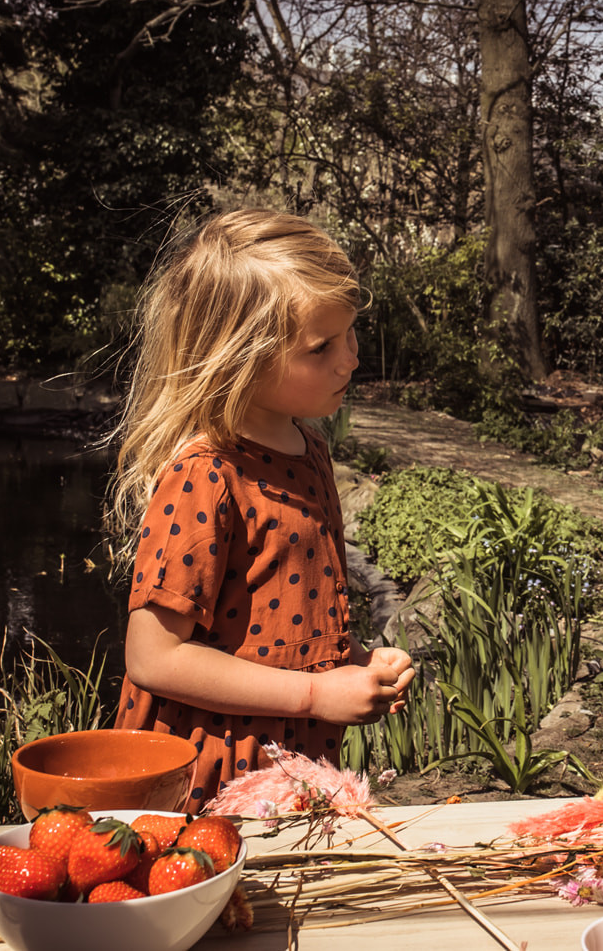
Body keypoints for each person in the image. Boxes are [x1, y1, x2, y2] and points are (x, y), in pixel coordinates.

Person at [109, 209, 415, 811]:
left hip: (287, 760)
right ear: (238, 358)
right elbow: (153, 657)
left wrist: (355, 663)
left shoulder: (309, 448)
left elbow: (290, 610)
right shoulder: (206, 474)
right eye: (321, 347)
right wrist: (314, 696)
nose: (350, 359)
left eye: (350, 333)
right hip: (206, 771)